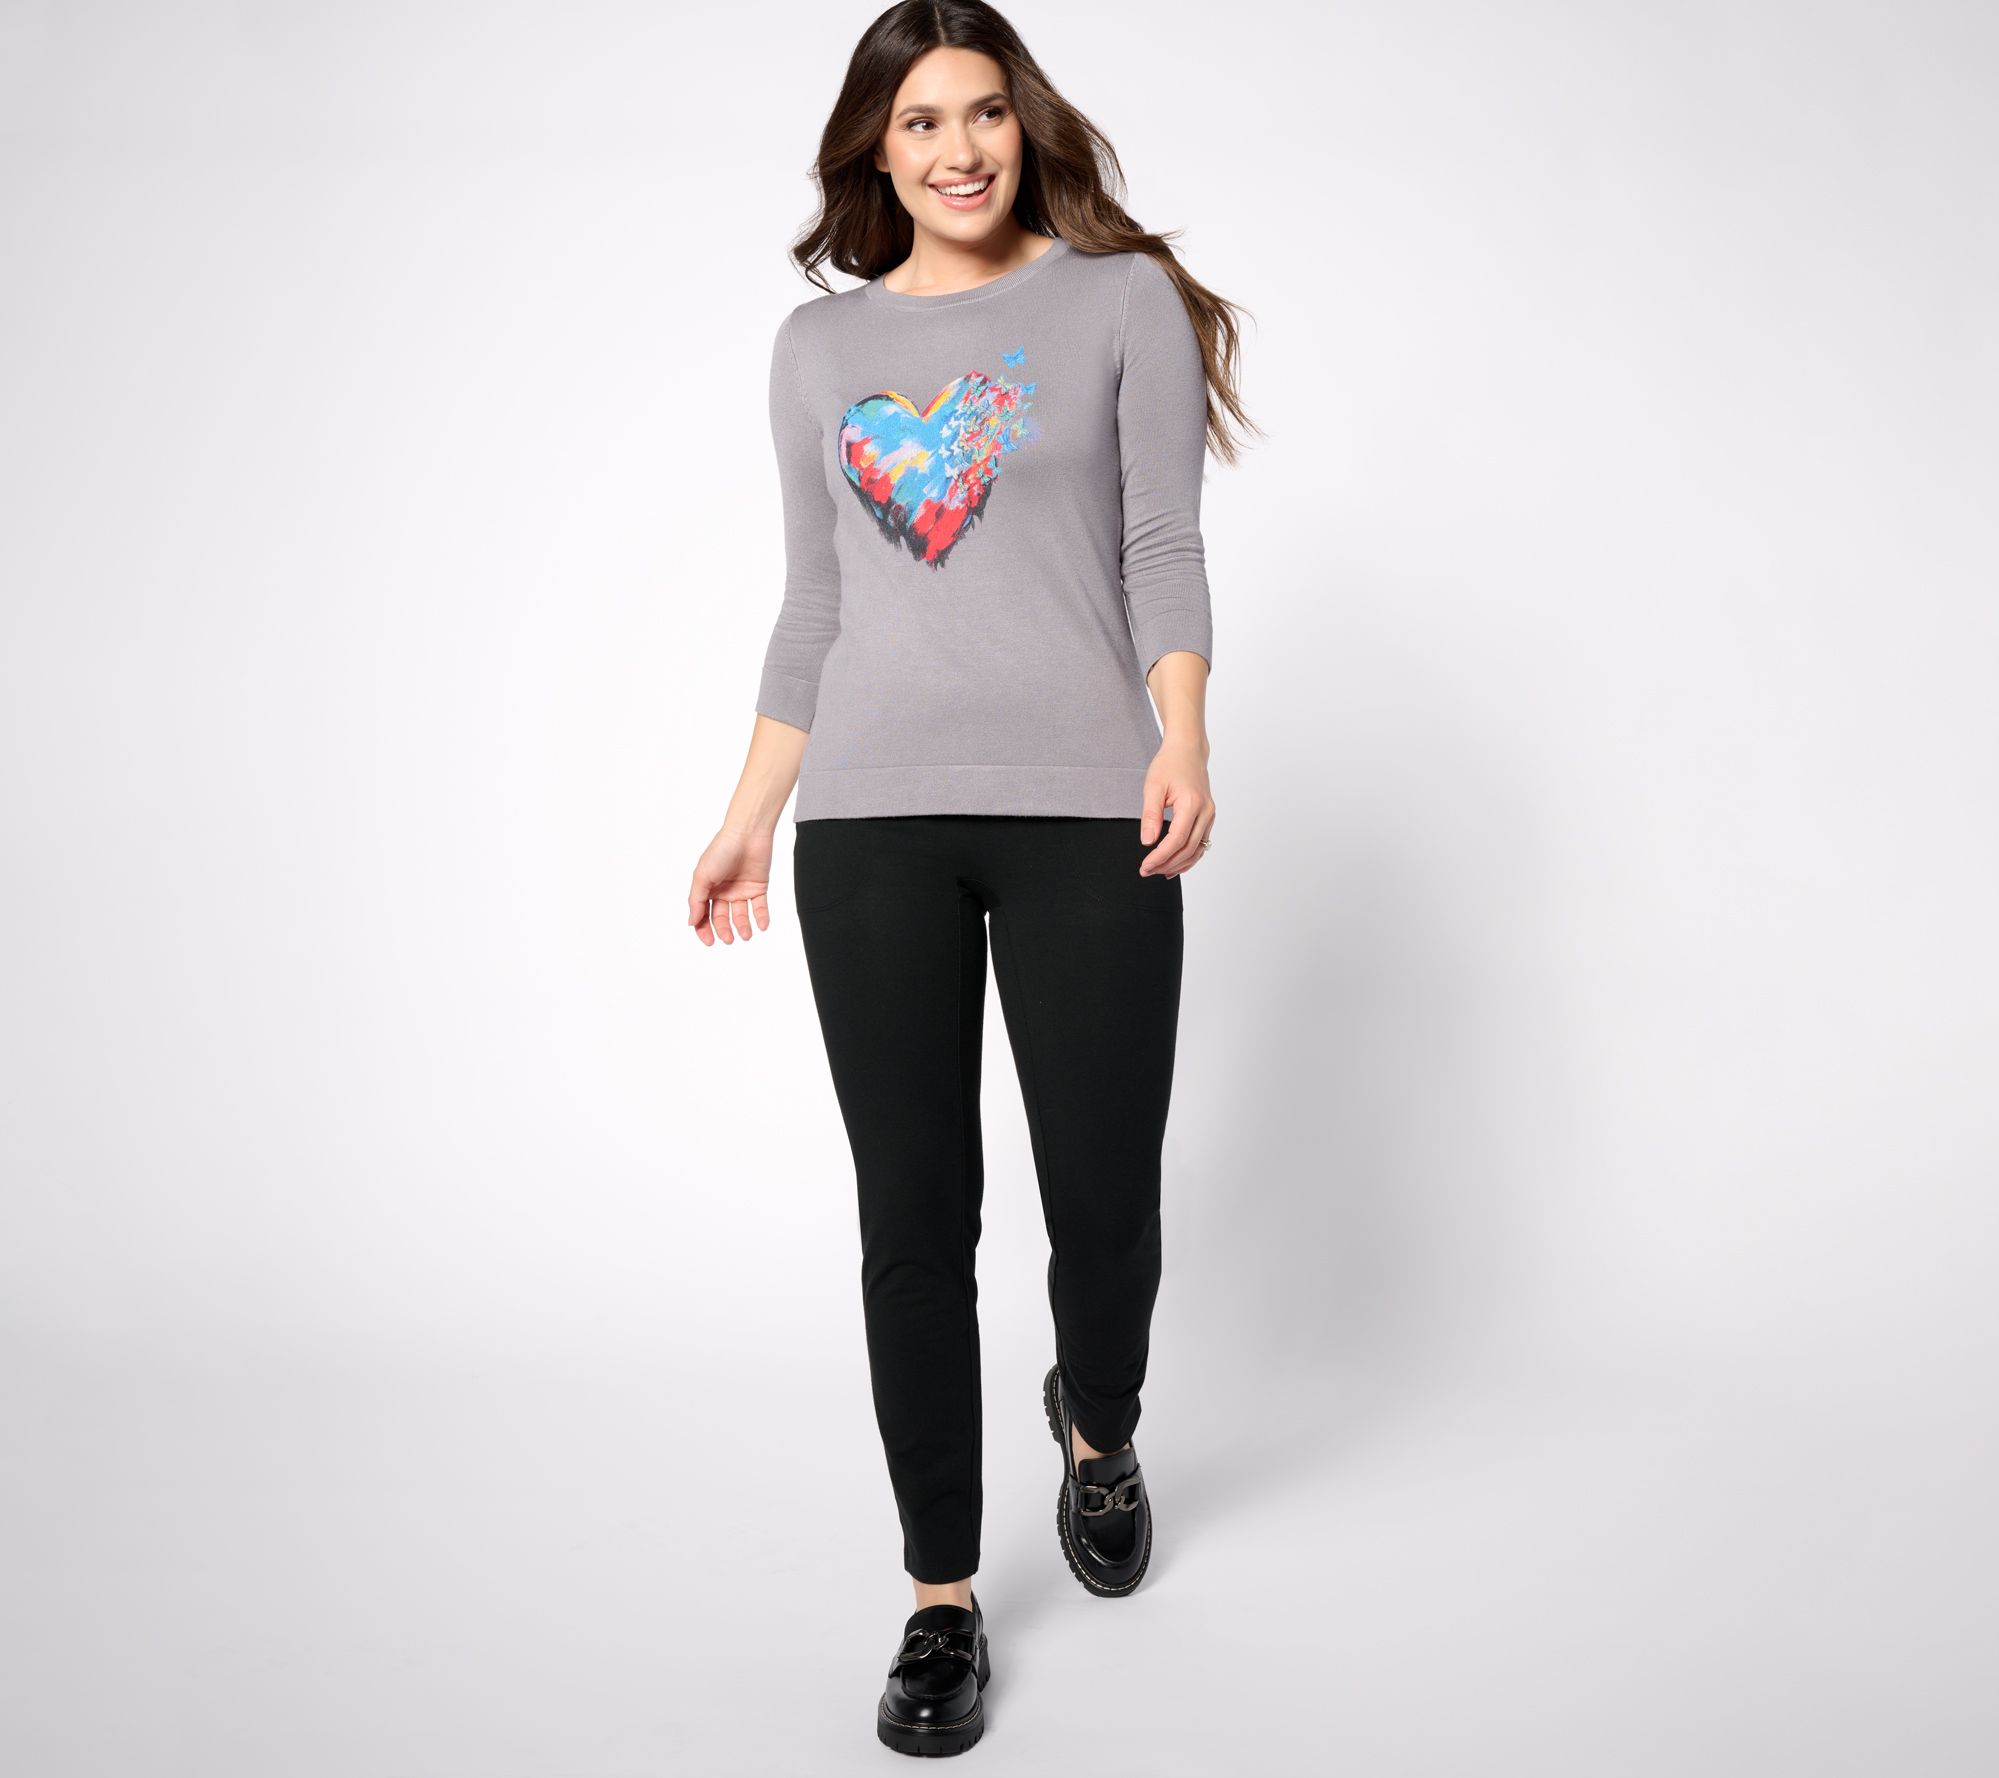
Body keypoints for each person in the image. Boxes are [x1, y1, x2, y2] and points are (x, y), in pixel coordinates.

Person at [687, 0, 1255, 1755]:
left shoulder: (1117, 304)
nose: (959, 149)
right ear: (878, 147)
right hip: (872, 823)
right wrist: (751, 809)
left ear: (1026, 125)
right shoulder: (818, 349)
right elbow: (816, 600)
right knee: (915, 1215)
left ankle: (1101, 1422)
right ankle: (940, 1594)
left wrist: (1183, 738)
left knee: (1105, 1188)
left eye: (985, 113)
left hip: (1089, 802)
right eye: (922, 121)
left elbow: (1161, 540)